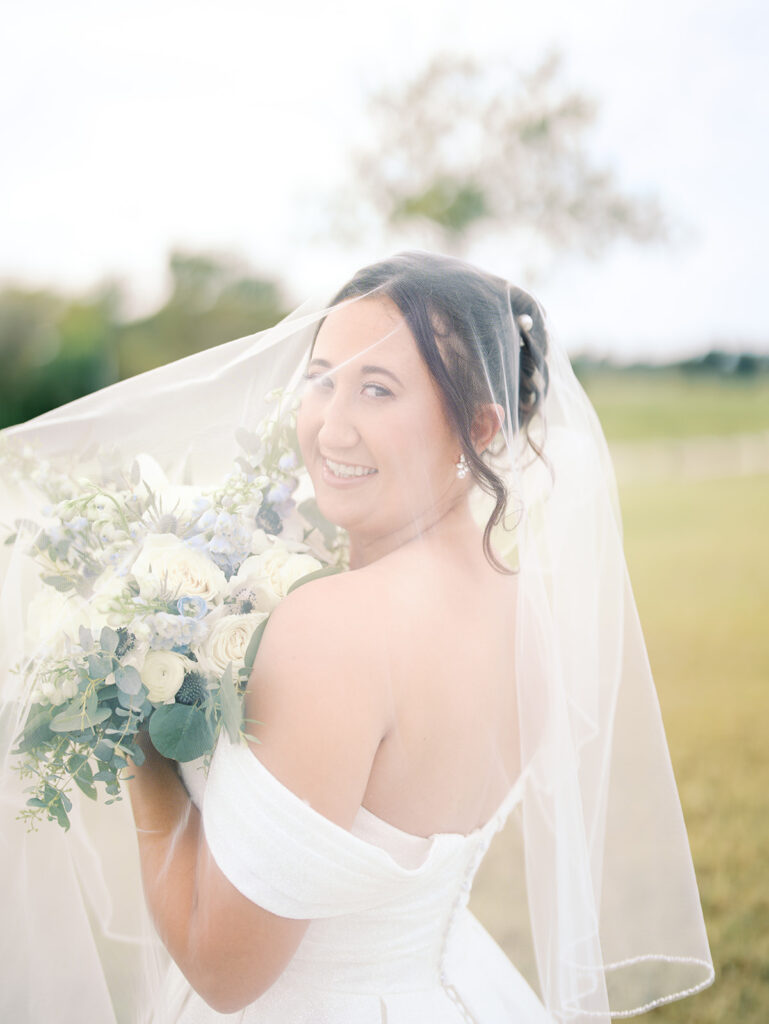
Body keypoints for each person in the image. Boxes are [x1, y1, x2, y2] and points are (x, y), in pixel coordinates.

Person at [0, 252, 713, 1023]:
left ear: (477, 426)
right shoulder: (524, 615)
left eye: (378, 390)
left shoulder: (331, 628)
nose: (329, 425)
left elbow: (223, 970)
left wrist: (132, 719)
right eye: (322, 378)